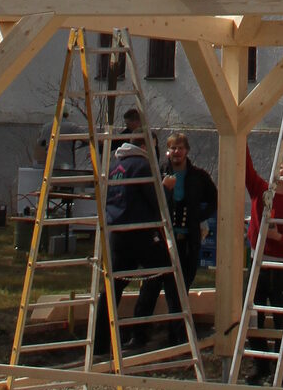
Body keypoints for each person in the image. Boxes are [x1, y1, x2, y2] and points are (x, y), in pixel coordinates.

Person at [90, 114, 170, 359]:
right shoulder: (143, 166)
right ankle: (140, 332)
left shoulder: (115, 166)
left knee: (112, 286)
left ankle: (100, 342)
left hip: (116, 232)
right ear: (144, 146)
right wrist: (165, 192)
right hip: (139, 230)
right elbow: (154, 200)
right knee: (161, 272)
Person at [142, 130, 218, 351]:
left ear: (186, 151)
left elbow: (214, 199)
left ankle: (177, 336)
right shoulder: (158, 173)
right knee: (152, 284)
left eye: (180, 148)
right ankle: (139, 334)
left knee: (180, 289)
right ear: (168, 151)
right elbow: (150, 201)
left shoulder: (198, 176)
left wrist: (198, 217)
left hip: (187, 240)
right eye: (173, 148)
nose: (176, 152)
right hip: (162, 239)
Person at [243, 147, 283, 382]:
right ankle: (260, 366)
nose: (276, 171)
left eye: (281, 169)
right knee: (253, 317)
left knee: (282, 320)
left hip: (281, 269)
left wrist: (279, 237)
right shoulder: (262, 191)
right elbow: (246, 171)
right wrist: (243, 138)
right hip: (258, 264)